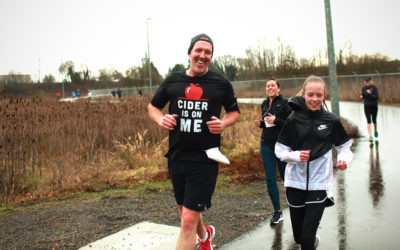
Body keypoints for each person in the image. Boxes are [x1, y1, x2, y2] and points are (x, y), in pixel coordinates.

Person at [148, 33, 240, 250]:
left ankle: (200, 238)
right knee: (185, 211)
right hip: (177, 156)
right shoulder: (174, 80)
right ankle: (205, 236)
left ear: (211, 57)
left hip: (205, 158)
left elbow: (234, 112)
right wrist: (162, 119)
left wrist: (223, 124)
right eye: (198, 51)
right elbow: (152, 107)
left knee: (187, 221)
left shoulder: (220, 84)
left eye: (207, 52)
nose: (202, 55)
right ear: (189, 53)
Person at [275, 75, 353, 249]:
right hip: (295, 183)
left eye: (319, 95)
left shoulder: (331, 121)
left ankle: (310, 241)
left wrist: (343, 160)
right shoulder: (293, 121)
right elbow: (279, 150)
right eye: (311, 95)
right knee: (299, 238)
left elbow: (345, 147)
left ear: (324, 95)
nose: (315, 99)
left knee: (307, 238)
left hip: (319, 185)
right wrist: (296, 156)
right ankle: (310, 241)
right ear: (303, 94)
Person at [253, 78, 291, 225]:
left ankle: (296, 205)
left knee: (285, 178)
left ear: (278, 89)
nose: (270, 88)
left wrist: (276, 120)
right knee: (270, 179)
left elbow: (289, 124)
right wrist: (261, 124)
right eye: (268, 86)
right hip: (266, 144)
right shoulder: (264, 103)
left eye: (273, 85)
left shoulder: (286, 103)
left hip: (281, 145)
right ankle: (278, 212)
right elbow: (267, 124)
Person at [360, 76, 379, 143]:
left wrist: (370, 93)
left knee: (374, 120)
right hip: (367, 106)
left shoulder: (374, 87)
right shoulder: (364, 88)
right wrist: (362, 97)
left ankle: (375, 130)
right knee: (368, 120)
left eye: (368, 81)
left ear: (371, 81)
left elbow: (376, 97)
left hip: (374, 106)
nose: (367, 82)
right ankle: (370, 136)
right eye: (366, 81)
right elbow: (363, 95)